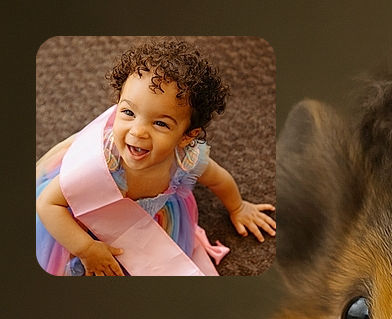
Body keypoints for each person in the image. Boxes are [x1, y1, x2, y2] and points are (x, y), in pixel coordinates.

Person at [36, 39, 276, 276]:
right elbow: (48, 204)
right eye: (128, 112)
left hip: (151, 220)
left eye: (160, 123)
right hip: (87, 217)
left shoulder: (185, 158)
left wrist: (238, 207)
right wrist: (86, 248)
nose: (138, 131)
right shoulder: (101, 163)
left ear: (186, 137)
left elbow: (218, 179)